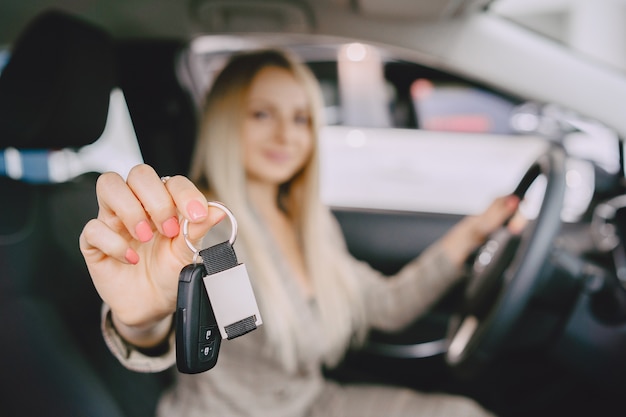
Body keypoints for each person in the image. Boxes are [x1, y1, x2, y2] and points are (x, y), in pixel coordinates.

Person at [79, 49, 519, 417]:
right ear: (226, 121)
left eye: (302, 118)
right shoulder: (202, 228)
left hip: (315, 404)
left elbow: (385, 305)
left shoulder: (309, 222)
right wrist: (138, 322)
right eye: (262, 113)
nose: (285, 134)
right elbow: (161, 329)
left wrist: (472, 235)